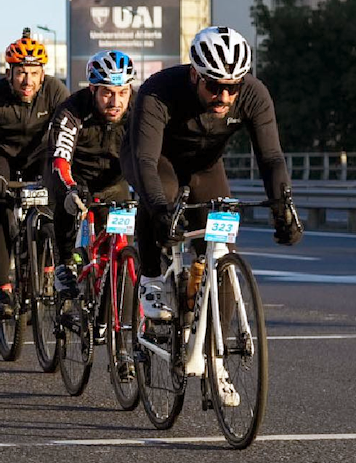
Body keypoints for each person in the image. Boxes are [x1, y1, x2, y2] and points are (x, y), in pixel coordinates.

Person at [122, 26, 302, 327]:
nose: (224, 96)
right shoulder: (159, 91)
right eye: (214, 86)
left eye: (232, 87)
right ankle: (151, 278)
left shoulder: (253, 94)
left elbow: (270, 158)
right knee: (159, 200)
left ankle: (214, 354)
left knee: (222, 250)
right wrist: (159, 210)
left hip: (205, 167)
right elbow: (145, 161)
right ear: (195, 75)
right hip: (156, 159)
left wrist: (283, 208)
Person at [0, 28, 70, 317]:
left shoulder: (55, 91)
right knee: (1, 212)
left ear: (43, 74)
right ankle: (2, 290)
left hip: (39, 154)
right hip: (1, 155)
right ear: (9, 73)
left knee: (48, 208)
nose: (27, 81)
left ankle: (46, 268)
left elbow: (69, 131)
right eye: (21, 73)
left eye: (34, 73)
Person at [48, 50, 136, 303]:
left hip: (114, 181)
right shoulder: (72, 109)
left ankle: (111, 311)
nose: (115, 102)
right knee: (65, 200)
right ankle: (64, 264)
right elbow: (61, 157)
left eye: (123, 93)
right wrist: (71, 188)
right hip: (75, 175)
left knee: (120, 249)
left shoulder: (139, 109)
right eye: (107, 92)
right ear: (93, 89)